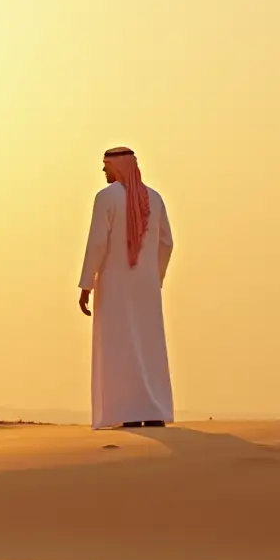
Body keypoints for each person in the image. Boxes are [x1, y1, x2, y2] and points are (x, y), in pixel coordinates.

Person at [77, 147, 176, 429]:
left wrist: (87, 283)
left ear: (118, 167)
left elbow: (98, 242)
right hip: (146, 286)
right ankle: (153, 410)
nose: (104, 171)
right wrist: (154, 276)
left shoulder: (106, 198)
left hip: (115, 283)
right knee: (148, 345)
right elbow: (167, 242)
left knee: (119, 345)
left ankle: (126, 412)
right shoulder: (154, 198)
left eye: (106, 165)